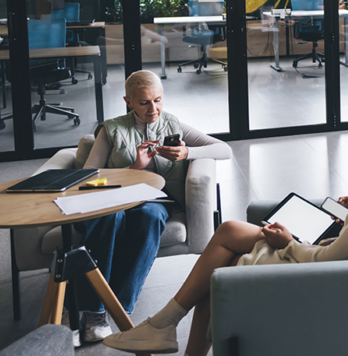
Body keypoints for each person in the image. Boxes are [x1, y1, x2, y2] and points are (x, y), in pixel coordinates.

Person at [103, 111, 348, 356]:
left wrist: (287, 242)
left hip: (317, 272)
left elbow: (327, 259)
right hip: (337, 254)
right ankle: (164, 326)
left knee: (222, 256)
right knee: (225, 243)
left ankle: (163, 325)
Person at [74, 70, 231, 342]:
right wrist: (134, 168)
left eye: (158, 100)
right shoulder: (111, 128)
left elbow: (224, 150)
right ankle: (95, 312)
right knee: (110, 220)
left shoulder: (173, 123)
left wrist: (187, 152)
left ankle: (122, 309)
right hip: (116, 198)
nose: (153, 109)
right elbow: (88, 177)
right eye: (144, 102)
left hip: (157, 201)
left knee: (150, 216)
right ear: (128, 101)